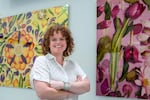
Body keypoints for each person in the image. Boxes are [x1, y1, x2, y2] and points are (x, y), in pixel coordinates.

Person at [30, 24, 90, 100]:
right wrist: (74, 90)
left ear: (67, 42)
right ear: (48, 43)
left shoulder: (73, 64)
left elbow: (87, 87)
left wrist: (62, 85)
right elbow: (43, 92)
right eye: (54, 39)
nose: (58, 42)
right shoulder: (42, 61)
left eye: (62, 39)